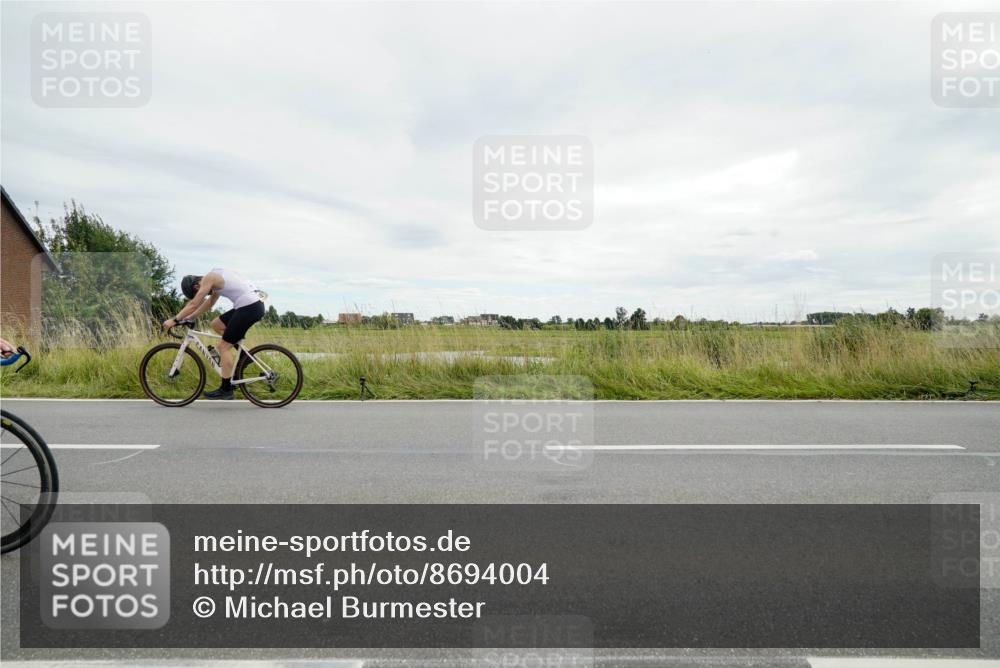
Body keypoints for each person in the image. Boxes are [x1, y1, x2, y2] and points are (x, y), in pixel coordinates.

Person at [163, 268, 265, 400]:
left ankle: (226, 389)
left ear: (196, 286)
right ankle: (245, 357)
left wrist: (175, 320)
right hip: (252, 304)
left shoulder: (209, 278)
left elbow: (194, 303)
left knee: (223, 347)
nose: (204, 294)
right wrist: (191, 317)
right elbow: (210, 303)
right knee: (217, 324)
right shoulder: (216, 277)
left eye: (199, 292)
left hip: (249, 306)